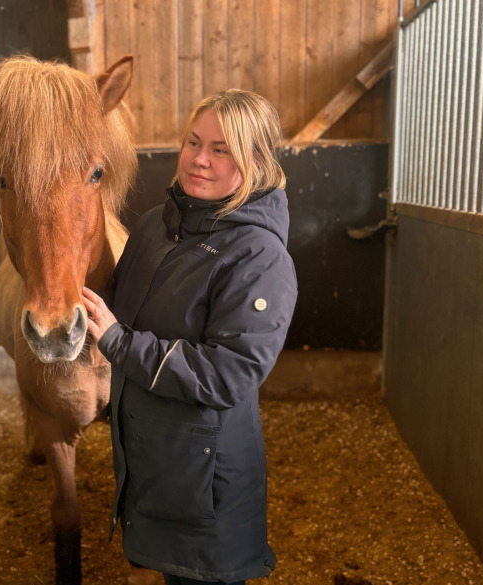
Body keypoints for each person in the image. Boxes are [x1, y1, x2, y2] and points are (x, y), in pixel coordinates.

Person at [82, 89, 297, 585]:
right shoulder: (155, 226)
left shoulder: (258, 256)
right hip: (155, 457)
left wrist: (118, 342)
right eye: (194, 142)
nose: (200, 160)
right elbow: (119, 303)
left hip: (206, 478)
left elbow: (229, 374)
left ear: (257, 159)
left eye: (221, 149)